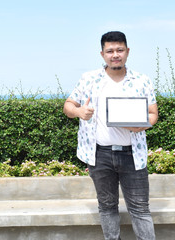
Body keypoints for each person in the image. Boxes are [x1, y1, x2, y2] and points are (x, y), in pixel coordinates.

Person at [63, 31, 158, 240]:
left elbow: (153, 114)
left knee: (140, 208)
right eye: (110, 51)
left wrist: (142, 126)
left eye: (120, 50)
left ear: (127, 51)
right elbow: (68, 105)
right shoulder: (88, 79)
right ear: (102, 54)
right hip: (100, 154)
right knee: (107, 206)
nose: (115, 54)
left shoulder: (142, 80)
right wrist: (79, 112)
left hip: (133, 155)